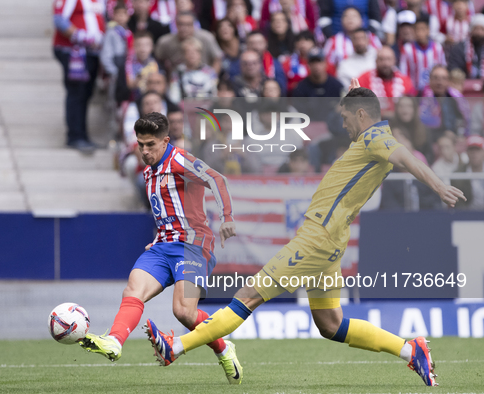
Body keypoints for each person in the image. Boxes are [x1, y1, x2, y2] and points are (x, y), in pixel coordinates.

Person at [145, 79, 466, 388]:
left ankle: (177, 347)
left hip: (317, 239)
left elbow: (406, 158)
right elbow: (375, 128)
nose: (343, 125)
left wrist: (439, 186)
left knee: (247, 297)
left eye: (345, 118)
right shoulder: (371, 137)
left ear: (362, 115)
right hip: (330, 242)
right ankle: (412, 351)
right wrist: (354, 93)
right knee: (330, 324)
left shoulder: (377, 140)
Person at [79, 112, 244, 385]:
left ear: (165, 141)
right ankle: (115, 342)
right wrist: (159, 236)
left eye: (150, 144)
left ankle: (224, 348)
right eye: (140, 144)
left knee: (184, 312)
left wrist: (227, 218)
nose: (144, 151)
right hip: (162, 246)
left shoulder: (179, 159)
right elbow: (168, 210)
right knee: (133, 289)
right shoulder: (148, 171)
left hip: (193, 245)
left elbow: (217, 180)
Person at [53, 0, 106, 151]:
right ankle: (75, 136)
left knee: (86, 93)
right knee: (77, 92)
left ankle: (82, 135)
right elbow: (59, 19)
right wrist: (79, 36)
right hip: (73, 52)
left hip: (92, 53)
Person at [155, 12, 223, 75]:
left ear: (194, 24)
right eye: (181, 24)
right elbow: (157, 60)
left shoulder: (206, 38)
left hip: (203, 78)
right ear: (176, 24)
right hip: (178, 79)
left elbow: (218, 59)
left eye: (188, 24)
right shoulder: (165, 42)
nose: (184, 28)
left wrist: (211, 78)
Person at [357, 47, 415, 117]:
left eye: (389, 59)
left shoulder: (405, 81)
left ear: (394, 61)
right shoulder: (364, 79)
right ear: (376, 61)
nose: (385, 63)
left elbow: (413, 107)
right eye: (381, 59)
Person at [418, 65, 471, 140]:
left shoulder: (456, 100)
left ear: (448, 81)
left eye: (443, 78)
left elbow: (465, 122)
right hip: (429, 140)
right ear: (430, 80)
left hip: (453, 140)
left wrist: (458, 136)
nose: (439, 82)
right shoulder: (422, 99)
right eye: (435, 78)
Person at [399, 14, 446, 91]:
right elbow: (403, 73)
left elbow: (442, 69)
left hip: (433, 91)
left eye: (423, 29)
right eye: (417, 30)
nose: (420, 33)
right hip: (414, 91)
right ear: (413, 31)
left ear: (428, 30)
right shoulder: (407, 49)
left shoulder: (437, 48)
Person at [168, 36, 218, 103]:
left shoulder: (209, 72)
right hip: (184, 109)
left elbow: (213, 95)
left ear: (200, 54)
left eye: (195, 51)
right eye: (188, 51)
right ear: (183, 54)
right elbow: (174, 96)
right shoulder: (178, 72)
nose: (192, 54)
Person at [100, 4, 132, 105]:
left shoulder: (129, 33)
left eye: (123, 14)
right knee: (114, 98)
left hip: (127, 69)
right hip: (116, 70)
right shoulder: (111, 33)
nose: (121, 17)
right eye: (118, 14)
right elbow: (105, 55)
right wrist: (113, 71)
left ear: (128, 16)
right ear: (113, 16)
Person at [451, 135, 484, 209]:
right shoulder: (457, 174)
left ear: (483, 152)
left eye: (477, 150)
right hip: (468, 215)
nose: (474, 153)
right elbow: (458, 203)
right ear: (467, 152)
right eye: (471, 150)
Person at [448, 13, 484, 79]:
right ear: (470, 30)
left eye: (482, 29)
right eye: (476, 29)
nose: (479, 33)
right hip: (464, 85)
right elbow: (454, 70)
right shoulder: (458, 48)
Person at [125, 31, 159, 100]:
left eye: (146, 45)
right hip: (133, 99)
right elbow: (130, 85)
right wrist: (139, 78)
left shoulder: (155, 63)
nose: (143, 49)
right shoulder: (129, 63)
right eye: (139, 45)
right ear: (134, 47)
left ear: (152, 47)